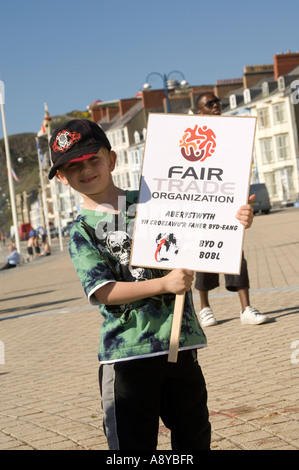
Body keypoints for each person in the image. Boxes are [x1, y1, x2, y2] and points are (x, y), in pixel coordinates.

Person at [48, 119, 255, 451]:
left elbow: (202, 229)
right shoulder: (81, 231)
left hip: (180, 345)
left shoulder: (153, 200)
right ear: (62, 177)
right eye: (73, 167)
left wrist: (236, 220)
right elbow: (104, 291)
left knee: (194, 438)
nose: (85, 170)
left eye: (93, 159)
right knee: (133, 447)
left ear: (111, 160)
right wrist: (164, 285)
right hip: (128, 354)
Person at [194, 92, 269, 327]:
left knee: (236, 252)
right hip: (201, 203)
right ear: (200, 111)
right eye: (210, 103)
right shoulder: (194, 137)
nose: (217, 105)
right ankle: (204, 307)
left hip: (227, 202)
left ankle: (246, 308)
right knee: (203, 254)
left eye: (218, 102)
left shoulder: (232, 134)